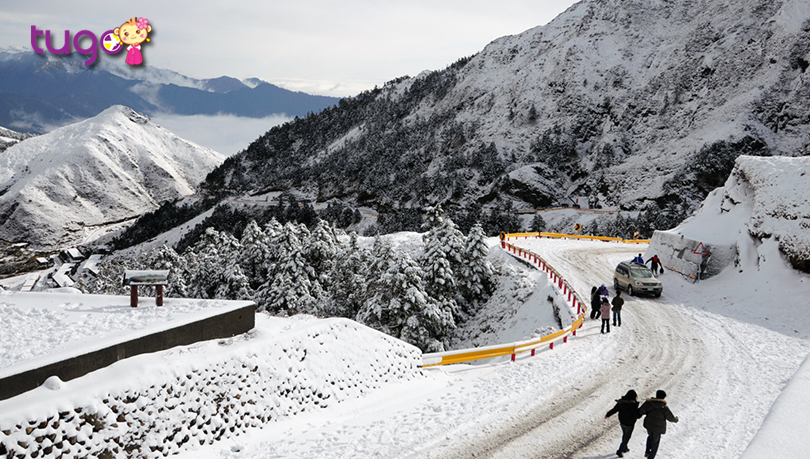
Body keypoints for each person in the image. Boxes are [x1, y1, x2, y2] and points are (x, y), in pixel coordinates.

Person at [638, 390, 679, 459]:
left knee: (650, 437)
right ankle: (651, 457)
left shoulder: (649, 403)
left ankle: (647, 452)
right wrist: (676, 419)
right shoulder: (664, 408)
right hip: (658, 429)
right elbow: (670, 418)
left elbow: (641, 411)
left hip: (649, 425)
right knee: (655, 443)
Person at [606, 390, 641, 457]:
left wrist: (608, 414)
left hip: (622, 422)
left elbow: (615, 409)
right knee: (627, 438)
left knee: (625, 434)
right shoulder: (633, 405)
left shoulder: (621, 402)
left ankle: (625, 448)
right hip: (630, 423)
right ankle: (620, 451)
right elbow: (637, 415)